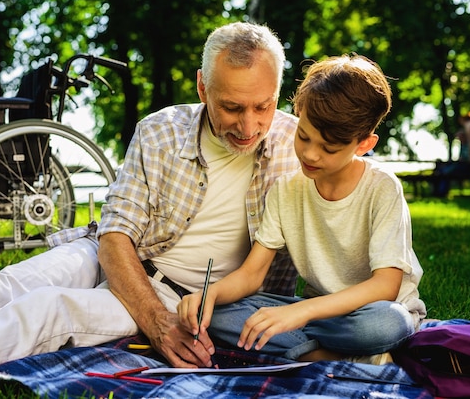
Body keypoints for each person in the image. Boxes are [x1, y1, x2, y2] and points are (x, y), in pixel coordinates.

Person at [0, 21, 300, 396]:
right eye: (232, 107)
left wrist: (167, 318)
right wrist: (154, 321)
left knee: (46, 309)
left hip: (185, 299)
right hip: (117, 257)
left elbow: (361, 181)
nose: (249, 125)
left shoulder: (299, 148)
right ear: (203, 87)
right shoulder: (161, 131)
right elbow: (115, 235)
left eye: (263, 106)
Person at [178, 54, 427, 365]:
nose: (310, 154)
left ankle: (323, 350)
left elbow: (385, 286)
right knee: (218, 316)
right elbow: (252, 275)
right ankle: (334, 354)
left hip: (371, 312)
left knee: (388, 323)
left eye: (329, 148)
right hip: (318, 317)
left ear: (363, 144)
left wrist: (300, 311)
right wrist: (209, 296)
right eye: (304, 136)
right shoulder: (286, 190)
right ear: (297, 115)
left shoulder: (382, 187)